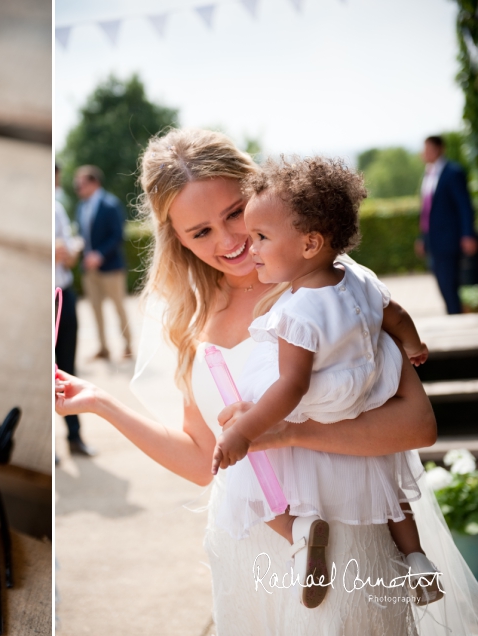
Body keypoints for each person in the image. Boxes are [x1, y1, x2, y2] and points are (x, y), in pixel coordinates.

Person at [56, 128, 478, 634]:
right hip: (248, 549)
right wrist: (102, 402)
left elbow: (418, 426)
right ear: (177, 239)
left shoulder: (324, 282)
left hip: (348, 540)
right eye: (201, 232)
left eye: (235, 213)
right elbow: (201, 460)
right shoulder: (189, 319)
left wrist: (291, 432)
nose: (230, 241)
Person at [211, 156, 438, 609]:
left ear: (310, 243)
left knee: (247, 483)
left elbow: (292, 387)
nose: (250, 247)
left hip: (323, 403)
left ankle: (300, 533)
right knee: (389, 489)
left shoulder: (297, 314)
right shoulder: (358, 276)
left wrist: (245, 429)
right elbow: (395, 315)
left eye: (261, 237)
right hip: (371, 393)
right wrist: (412, 343)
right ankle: (416, 559)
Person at [55, 164, 96, 457]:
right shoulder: (54, 208)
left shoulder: (57, 208)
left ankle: (73, 437)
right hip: (55, 294)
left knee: (67, 369)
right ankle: (64, 441)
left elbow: (67, 257)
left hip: (62, 294)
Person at [73, 165, 132, 360]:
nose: (78, 188)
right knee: (95, 310)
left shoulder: (110, 204)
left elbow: (118, 235)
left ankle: (128, 345)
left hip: (111, 267)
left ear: (94, 183)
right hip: (89, 270)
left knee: (118, 308)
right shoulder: (81, 207)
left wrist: (100, 254)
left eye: (81, 183)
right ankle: (103, 347)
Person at [415, 135, 478, 314]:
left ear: (439, 149)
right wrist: (423, 237)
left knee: (449, 282)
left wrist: (468, 234)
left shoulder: (453, 172)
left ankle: (456, 316)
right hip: (433, 239)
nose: (424, 153)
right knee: (443, 282)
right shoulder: (428, 174)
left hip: (450, 238)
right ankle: (454, 313)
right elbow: (427, 211)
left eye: (428, 149)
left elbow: (465, 206)